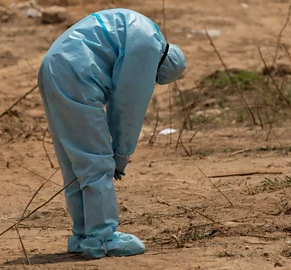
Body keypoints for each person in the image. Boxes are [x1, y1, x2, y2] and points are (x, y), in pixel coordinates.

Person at [37, 8, 186, 259]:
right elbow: (129, 105)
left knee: (75, 162)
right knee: (97, 162)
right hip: (77, 75)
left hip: (53, 66)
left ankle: (82, 234)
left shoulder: (143, 28)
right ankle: (102, 239)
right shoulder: (148, 46)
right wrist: (121, 152)